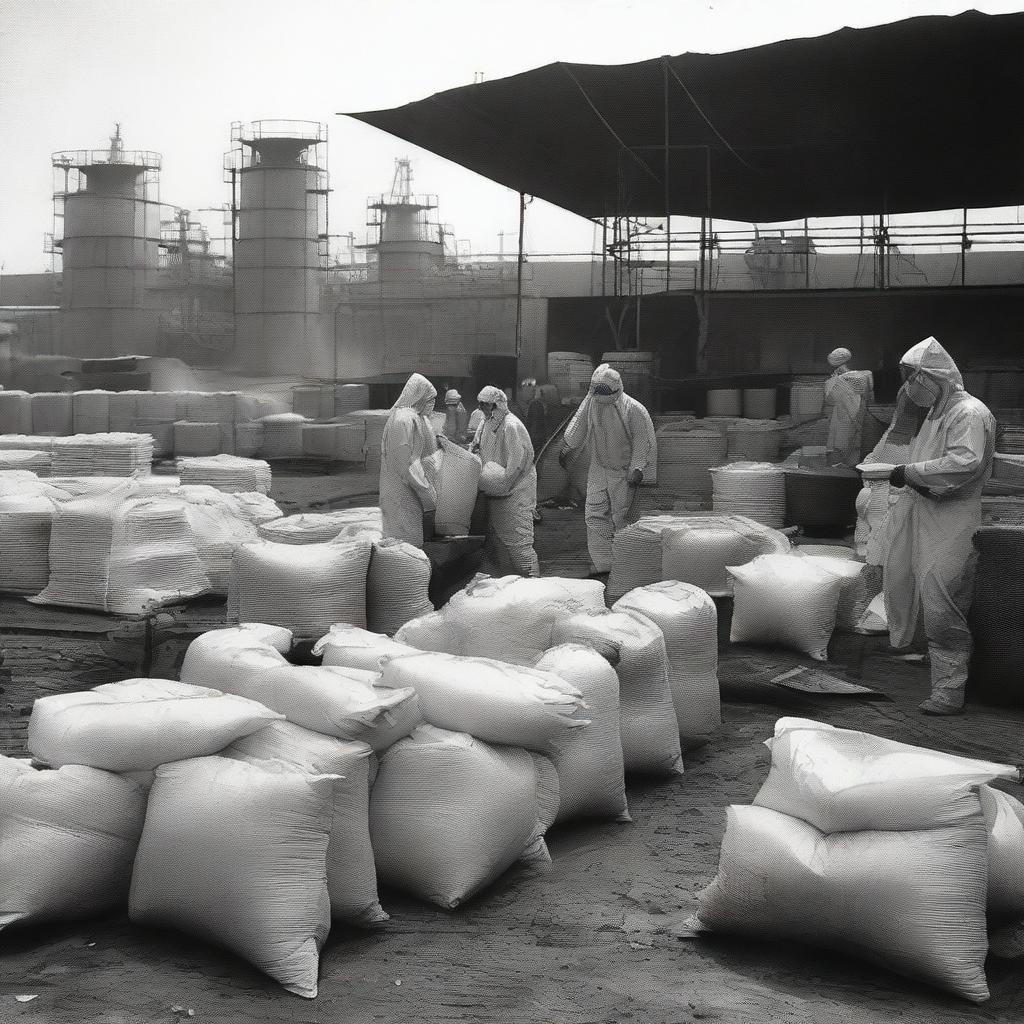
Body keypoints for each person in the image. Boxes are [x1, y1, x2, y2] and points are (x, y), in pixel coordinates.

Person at [880, 336, 995, 715]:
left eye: (913, 378)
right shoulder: (937, 414)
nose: (910, 387)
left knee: (943, 599)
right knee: (920, 589)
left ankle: (950, 691)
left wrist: (909, 472)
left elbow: (963, 463)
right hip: (927, 513)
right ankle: (939, 668)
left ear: (934, 376)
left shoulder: (969, 413)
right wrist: (907, 474)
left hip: (952, 519)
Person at [559, 363, 656, 578]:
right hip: (599, 468)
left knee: (621, 519)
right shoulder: (592, 403)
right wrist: (587, 399)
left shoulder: (633, 409)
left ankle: (624, 567)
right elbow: (572, 436)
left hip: (623, 472)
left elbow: (642, 440)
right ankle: (603, 564)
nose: (599, 396)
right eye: (595, 391)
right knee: (593, 515)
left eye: (602, 392)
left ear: (616, 389)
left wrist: (637, 467)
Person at [472, 385, 540, 576]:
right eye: (481, 405)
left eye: (487, 405)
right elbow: (475, 447)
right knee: (500, 541)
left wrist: (501, 483)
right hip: (497, 491)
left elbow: (517, 464)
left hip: (517, 491)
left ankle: (533, 584)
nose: (483, 409)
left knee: (520, 543)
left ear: (497, 405)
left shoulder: (511, 425)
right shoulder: (485, 424)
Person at [379, 373, 439, 546]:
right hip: (403, 492)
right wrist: (427, 491)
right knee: (405, 543)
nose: (432, 404)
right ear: (419, 397)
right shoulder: (404, 419)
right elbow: (407, 463)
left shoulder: (414, 417)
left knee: (404, 542)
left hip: (404, 491)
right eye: (429, 399)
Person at [822, 346, 874, 466]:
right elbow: (870, 397)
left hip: (844, 419)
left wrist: (834, 379)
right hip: (858, 416)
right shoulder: (866, 376)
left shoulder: (835, 381)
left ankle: (840, 471)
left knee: (841, 444)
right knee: (854, 445)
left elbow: (829, 399)